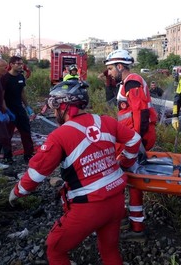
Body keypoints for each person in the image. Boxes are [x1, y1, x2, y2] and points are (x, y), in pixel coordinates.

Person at [8, 80, 142, 265]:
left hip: (88, 207)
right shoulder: (106, 121)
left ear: (63, 106)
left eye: (55, 107)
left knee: (55, 248)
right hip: (116, 201)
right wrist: (124, 162)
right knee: (109, 250)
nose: (54, 113)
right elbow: (134, 139)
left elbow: (35, 175)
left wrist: (16, 192)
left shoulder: (60, 136)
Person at [104, 49, 158, 241]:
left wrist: (137, 143)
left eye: (110, 68)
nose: (108, 73)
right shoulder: (126, 83)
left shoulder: (132, 82)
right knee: (131, 181)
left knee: (133, 181)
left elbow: (141, 115)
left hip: (135, 140)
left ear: (120, 66)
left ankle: (137, 228)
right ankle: (134, 220)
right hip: (131, 139)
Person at [1, 56, 35, 163]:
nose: (21, 66)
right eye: (18, 64)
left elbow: (22, 93)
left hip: (19, 109)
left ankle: (28, 154)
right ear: (11, 65)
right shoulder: (5, 78)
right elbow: (1, 97)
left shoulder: (21, 77)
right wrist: (6, 111)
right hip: (9, 110)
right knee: (8, 135)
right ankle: (8, 156)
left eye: (22, 64)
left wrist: (28, 106)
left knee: (26, 132)